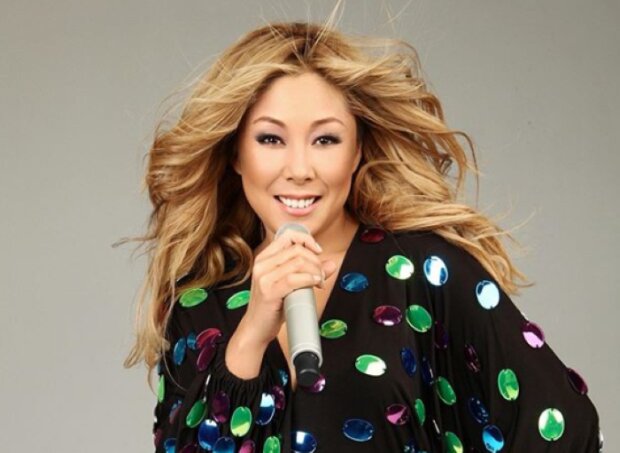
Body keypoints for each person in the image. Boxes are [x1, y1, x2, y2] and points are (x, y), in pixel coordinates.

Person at [122, 17, 603, 453]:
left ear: (356, 151)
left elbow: (562, 426)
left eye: (325, 139)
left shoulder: (422, 272)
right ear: (236, 154)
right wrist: (251, 334)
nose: (299, 169)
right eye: (271, 139)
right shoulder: (198, 304)